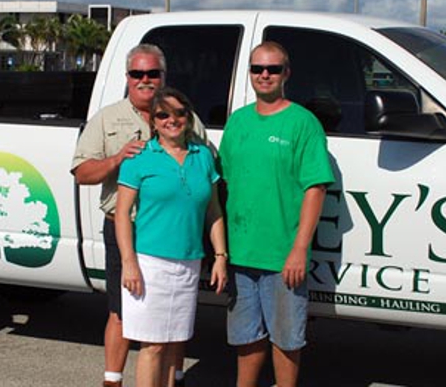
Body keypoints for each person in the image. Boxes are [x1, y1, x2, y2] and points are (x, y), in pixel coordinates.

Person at [71, 44, 207, 387]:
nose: (145, 80)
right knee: (122, 310)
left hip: (172, 231)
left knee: (173, 316)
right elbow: (82, 172)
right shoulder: (108, 118)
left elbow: (205, 164)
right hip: (126, 229)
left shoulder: (186, 116)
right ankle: (112, 380)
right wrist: (117, 158)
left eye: (152, 74)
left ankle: (175, 377)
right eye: (137, 74)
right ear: (127, 77)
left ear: (164, 76)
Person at [219, 41, 335, 387]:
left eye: (272, 69)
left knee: (286, 340)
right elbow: (221, 183)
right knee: (245, 336)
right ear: (250, 73)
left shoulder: (303, 123)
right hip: (241, 252)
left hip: (282, 255)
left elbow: (316, 188)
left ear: (287, 73)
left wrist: (299, 249)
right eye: (257, 69)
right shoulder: (238, 121)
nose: (264, 75)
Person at [115, 87, 227, 387]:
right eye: (163, 114)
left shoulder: (203, 156)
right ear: (153, 121)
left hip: (189, 263)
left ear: (188, 117)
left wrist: (220, 257)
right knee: (153, 346)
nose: (172, 120)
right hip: (150, 264)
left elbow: (213, 211)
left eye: (179, 113)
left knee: (176, 341)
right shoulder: (139, 158)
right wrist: (129, 262)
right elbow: (123, 214)